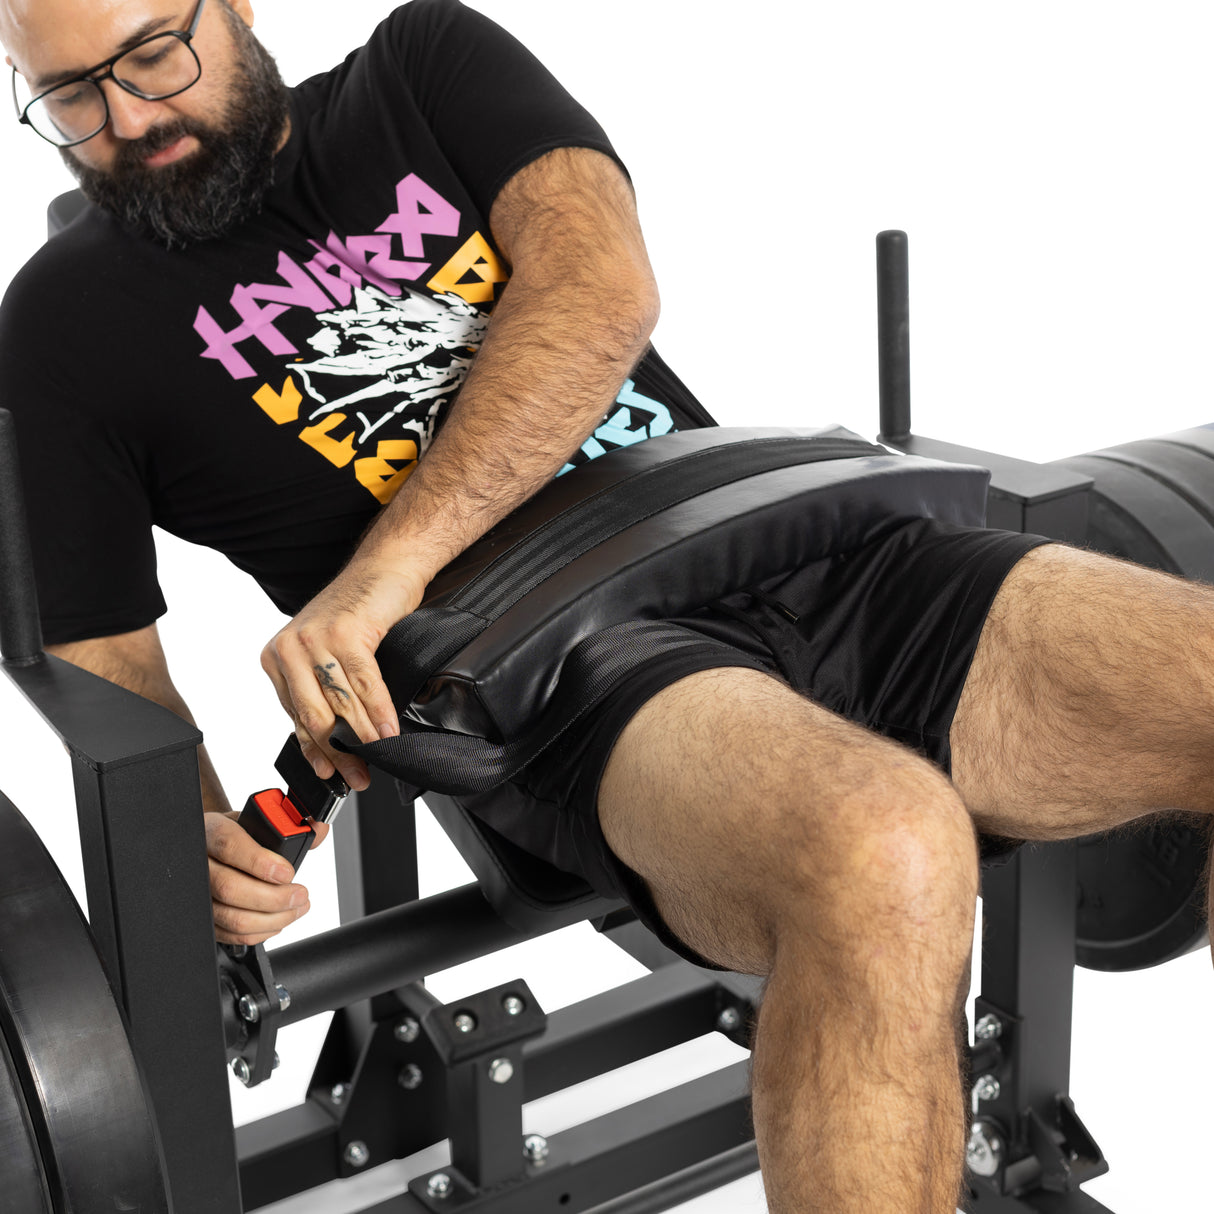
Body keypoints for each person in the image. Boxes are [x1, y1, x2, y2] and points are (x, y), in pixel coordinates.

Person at [1, 1, 1211, 1210]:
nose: (129, 118)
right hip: (557, 670)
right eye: (68, 99)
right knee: (883, 847)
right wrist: (202, 845)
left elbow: (599, 288)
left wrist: (384, 568)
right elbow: (105, 645)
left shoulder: (423, 63)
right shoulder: (59, 327)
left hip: (792, 528)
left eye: (155, 56)